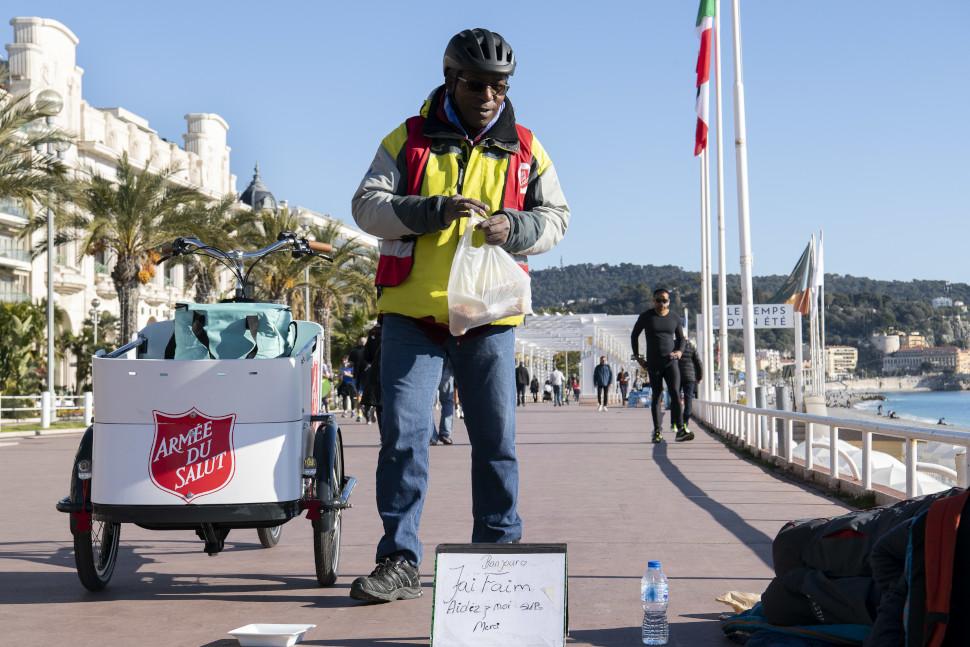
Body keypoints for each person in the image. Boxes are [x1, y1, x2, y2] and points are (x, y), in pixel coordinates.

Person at [349, 27, 569, 603]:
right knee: (404, 439)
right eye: (478, 84)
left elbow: (558, 218)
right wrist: (429, 210)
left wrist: (515, 226)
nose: (490, 96)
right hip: (413, 320)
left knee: (496, 441)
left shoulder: (525, 147)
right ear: (452, 79)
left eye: (500, 86)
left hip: (490, 320)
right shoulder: (408, 139)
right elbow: (366, 206)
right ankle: (399, 559)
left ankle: (497, 553)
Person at [631, 288, 691, 443]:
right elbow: (634, 335)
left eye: (664, 300)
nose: (661, 303)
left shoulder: (674, 317)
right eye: (658, 300)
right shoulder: (646, 317)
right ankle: (657, 431)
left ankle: (680, 430)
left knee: (676, 395)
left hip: (671, 362)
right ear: (653, 300)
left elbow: (682, 338)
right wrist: (638, 357)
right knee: (657, 396)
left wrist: (679, 351)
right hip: (654, 363)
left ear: (669, 302)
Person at [678, 339, 703, 427]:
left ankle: (677, 422)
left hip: (677, 377)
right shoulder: (691, 347)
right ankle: (685, 422)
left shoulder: (673, 346)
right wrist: (699, 377)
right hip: (690, 377)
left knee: (676, 399)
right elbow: (698, 363)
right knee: (688, 400)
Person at [430, 359, 455, 445]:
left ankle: (431, 435)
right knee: (447, 401)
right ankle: (445, 433)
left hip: (432, 360)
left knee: (428, 403)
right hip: (447, 362)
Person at [348, 336, 369, 422]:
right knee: (367, 395)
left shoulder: (354, 351)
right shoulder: (370, 350)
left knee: (358, 395)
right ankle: (366, 411)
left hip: (357, 376)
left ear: (358, 342)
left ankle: (360, 414)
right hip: (368, 376)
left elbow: (350, 364)